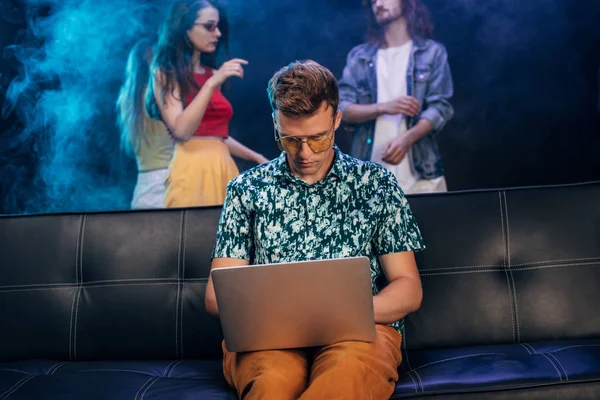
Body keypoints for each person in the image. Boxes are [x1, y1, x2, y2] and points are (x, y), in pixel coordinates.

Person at [205, 60, 425, 400]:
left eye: (318, 139)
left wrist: (342, 313)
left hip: (359, 335)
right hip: (267, 336)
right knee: (272, 383)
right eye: (290, 140)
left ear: (337, 120)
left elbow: (408, 287)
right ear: (275, 124)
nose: (305, 153)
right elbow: (216, 294)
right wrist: (290, 316)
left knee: (345, 378)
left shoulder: (375, 184)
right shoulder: (246, 189)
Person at [148, 0, 268, 207]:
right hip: (191, 169)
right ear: (184, 28)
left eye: (218, 26)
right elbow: (183, 131)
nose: (218, 33)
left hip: (223, 166)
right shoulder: (165, 73)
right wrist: (212, 83)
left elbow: (216, 135)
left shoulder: (212, 75)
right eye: (209, 26)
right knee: (192, 235)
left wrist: (256, 157)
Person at [339, 0, 454, 194]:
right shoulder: (358, 57)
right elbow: (342, 108)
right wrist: (383, 107)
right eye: (373, 1)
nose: (378, 3)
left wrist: (407, 139)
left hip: (421, 176)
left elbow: (441, 107)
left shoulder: (432, 52)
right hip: (369, 179)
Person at [117, 38, 174, 209]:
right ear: (152, 62)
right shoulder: (162, 96)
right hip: (169, 182)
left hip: (143, 187)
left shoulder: (126, 99)